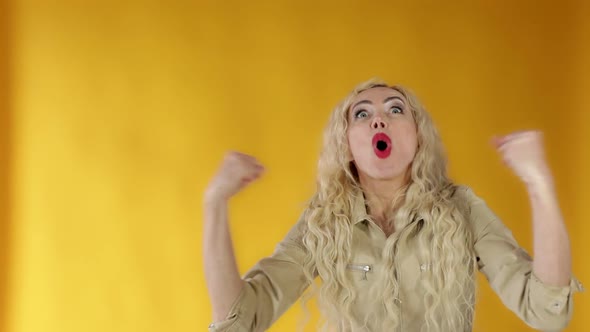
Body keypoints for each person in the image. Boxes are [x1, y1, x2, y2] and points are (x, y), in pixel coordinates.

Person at [202, 79, 583, 331]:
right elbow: (239, 321)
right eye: (362, 114)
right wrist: (214, 204)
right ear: (347, 144)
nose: (378, 121)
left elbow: (546, 310)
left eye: (395, 109)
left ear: (418, 136)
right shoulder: (322, 222)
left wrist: (540, 186)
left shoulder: (462, 209)